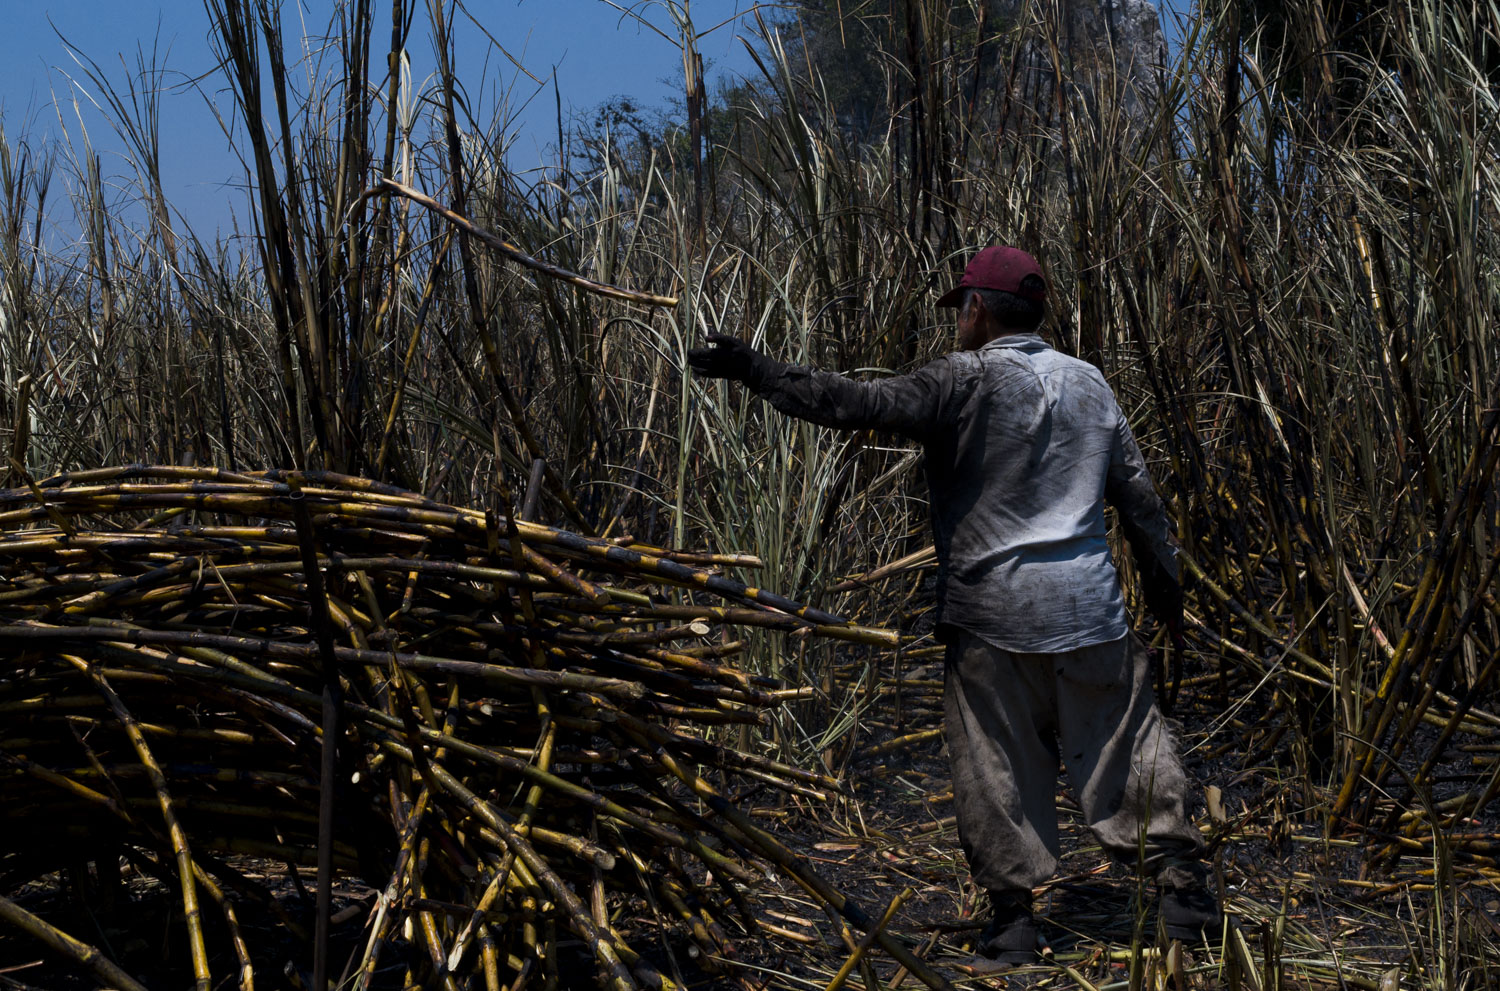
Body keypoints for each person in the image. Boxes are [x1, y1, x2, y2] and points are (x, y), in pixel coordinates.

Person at [687, 246, 1221, 970]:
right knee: (1128, 751)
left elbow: (855, 404)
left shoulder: (962, 379)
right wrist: (1168, 594)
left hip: (993, 617)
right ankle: (1182, 896)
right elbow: (1141, 500)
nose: (958, 321)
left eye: (961, 308)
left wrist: (753, 368)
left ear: (976, 308)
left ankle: (1014, 927)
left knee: (995, 767)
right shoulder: (1090, 384)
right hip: (1090, 609)